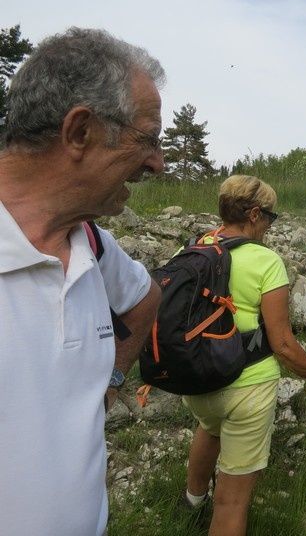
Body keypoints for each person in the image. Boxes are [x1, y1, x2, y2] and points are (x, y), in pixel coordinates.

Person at [0, 28, 165, 535]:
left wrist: (113, 378)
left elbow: (146, 298)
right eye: (147, 140)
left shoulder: (91, 243)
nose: (158, 164)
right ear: (79, 132)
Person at [182, 175, 306, 536]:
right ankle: (210, 511)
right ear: (255, 214)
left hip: (196, 380)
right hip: (247, 387)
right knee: (231, 503)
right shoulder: (266, 261)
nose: (271, 227)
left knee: (208, 428)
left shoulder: (193, 249)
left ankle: (191, 502)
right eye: (271, 218)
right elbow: (283, 344)